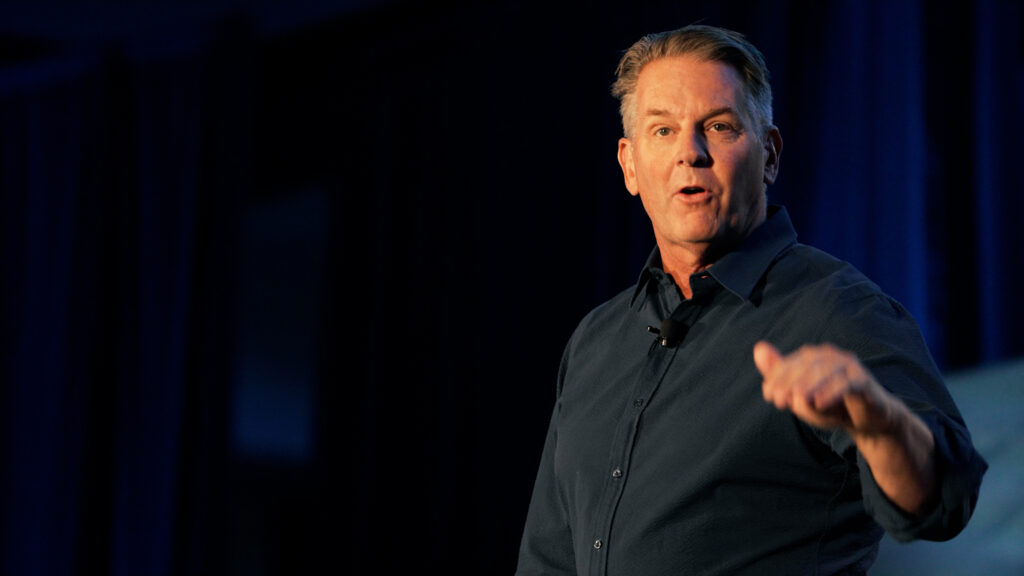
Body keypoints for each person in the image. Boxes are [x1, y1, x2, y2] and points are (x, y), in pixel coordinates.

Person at [515, 24, 987, 575]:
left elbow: (943, 500)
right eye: (662, 131)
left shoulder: (837, 310)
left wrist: (880, 424)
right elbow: (547, 557)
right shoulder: (595, 340)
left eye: (718, 126)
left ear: (769, 154)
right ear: (629, 165)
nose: (689, 153)